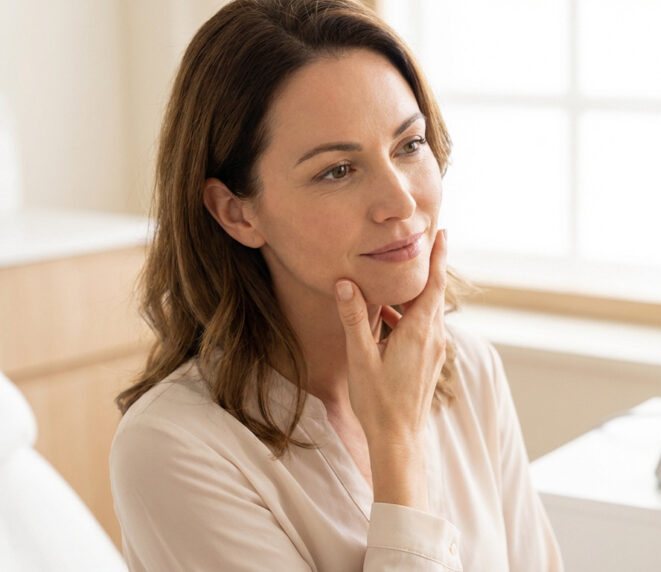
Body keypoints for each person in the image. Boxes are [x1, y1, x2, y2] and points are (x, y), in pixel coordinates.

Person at [109, 1, 564, 570]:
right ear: (236, 212)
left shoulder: (468, 371)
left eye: (409, 144)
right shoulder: (174, 448)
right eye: (337, 171)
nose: (401, 201)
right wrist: (397, 446)